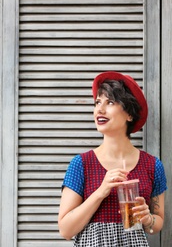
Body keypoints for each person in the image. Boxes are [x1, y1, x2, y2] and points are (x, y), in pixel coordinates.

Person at [58, 71, 167, 246]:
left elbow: (158, 223)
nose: (100, 109)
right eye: (97, 102)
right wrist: (101, 191)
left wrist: (148, 219)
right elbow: (65, 230)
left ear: (129, 114)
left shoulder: (153, 165)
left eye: (110, 102)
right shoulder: (81, 164)